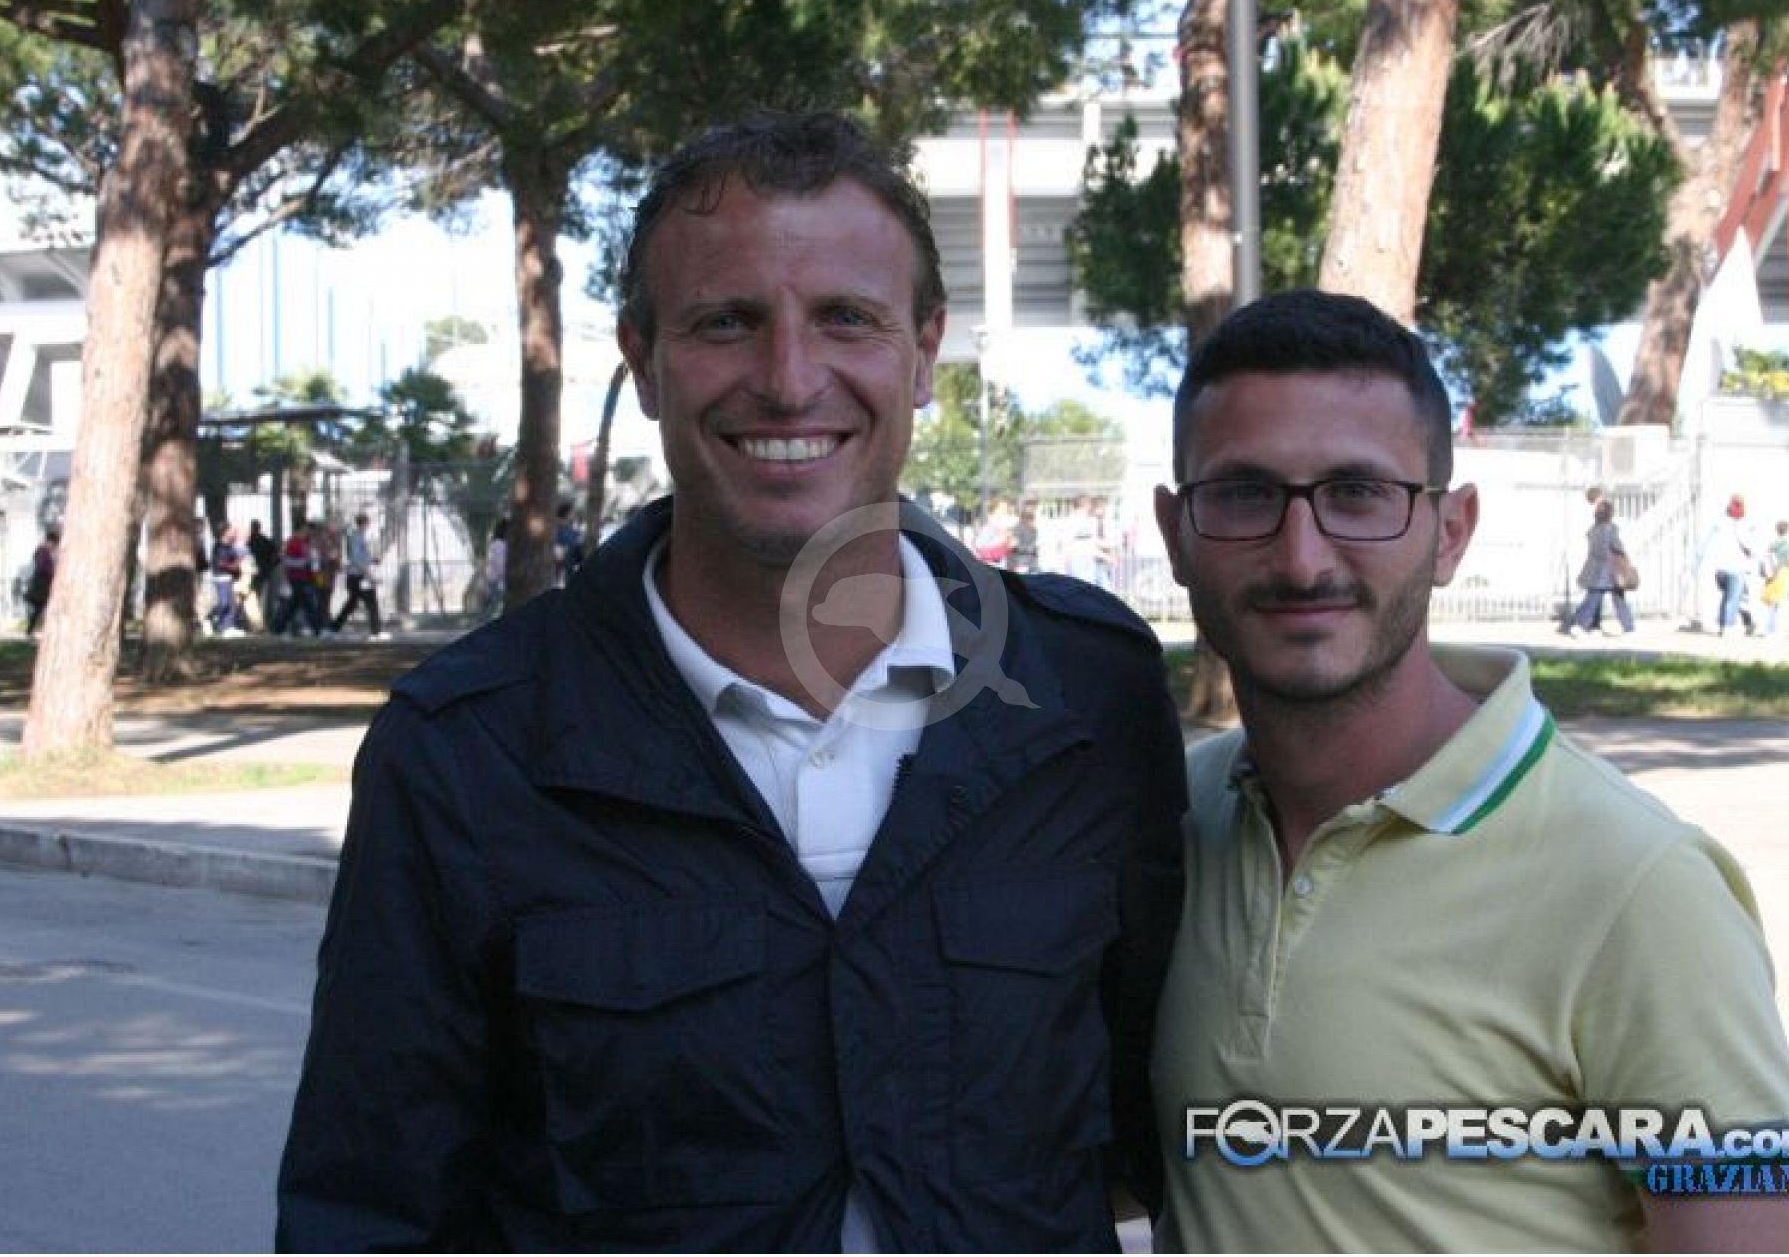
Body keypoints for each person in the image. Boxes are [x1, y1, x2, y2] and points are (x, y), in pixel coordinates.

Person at [277, 111, 1184, 1252]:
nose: (789, 379)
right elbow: (369, 1212)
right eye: (726, 321)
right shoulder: (467, 748)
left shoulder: (1089, 694)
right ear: (644, 362)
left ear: (924, 351)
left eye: (846, 318)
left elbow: (1154, 1127)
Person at [1150, 290, 1789, 1252]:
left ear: (1451, 531)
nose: (1301, 557)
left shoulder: (1641, 885)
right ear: (1176, 533)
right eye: (1245, 495)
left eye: (1358, 494)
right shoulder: (1169, 823)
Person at [1559, 496, 1635, 637]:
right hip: (1611, 571)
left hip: (1595, 570)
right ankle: (1579, 624)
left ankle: (1594, 626)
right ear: (1610, 514)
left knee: (1597, 599)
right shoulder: (1611, 529)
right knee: (1605, 600)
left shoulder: (1593, 530)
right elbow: (1617, 546)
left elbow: (1597, 550)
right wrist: (1625, 559)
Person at [1700, 494, 1759, 636]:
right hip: (1736, 568)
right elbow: (1747, 544)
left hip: (1720, 569)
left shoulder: (1720, 522)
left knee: (1731, 597)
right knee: (1733, 598)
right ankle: (1728, 626)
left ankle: (1740, 624)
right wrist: (1751, 553)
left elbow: (1708, 543)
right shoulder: (1740, 524)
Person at [330, 511, 385, 639]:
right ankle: (376, 631)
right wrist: (368, 574)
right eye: (367, 522)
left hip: (358, 575)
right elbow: (356, 558)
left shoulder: (360, 536)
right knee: (371, 602)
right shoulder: (356, 537)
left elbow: (361, 556)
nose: (369, 525)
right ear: (365, 522)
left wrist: (372, 560)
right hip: (358, 576)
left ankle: (334, 628)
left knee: (352, 603)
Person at [273, 519, 323, 637]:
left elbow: (312, 560)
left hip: (305, 577)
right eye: (307, 529)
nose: (309, 532)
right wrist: (304, 562)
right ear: (301, 529)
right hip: (296, 577)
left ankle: (278, 628)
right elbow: (287, 561)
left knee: (294, 605)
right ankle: (317, 629)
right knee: (308, 603)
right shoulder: (292, 542)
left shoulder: (305, 543)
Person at [1762, 519, 1789, 637]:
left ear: (1777, 530)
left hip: (1776, 573)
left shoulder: (1773, 544)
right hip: (1787, 573)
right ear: (1788, 530)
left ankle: (1770, 630)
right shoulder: (1787, 544)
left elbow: (1767, 557)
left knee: (1774, 603)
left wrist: (1771, 572)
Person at [209, 522, 245, 637]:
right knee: (224, 602)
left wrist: (237, 564)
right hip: (221, 577)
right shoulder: (219, 546)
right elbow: (220, 563)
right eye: (231, 530)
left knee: (231, 603)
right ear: (225, 532)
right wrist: (233, 565)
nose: (233, 533)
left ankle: (228, 627)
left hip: (230, 577)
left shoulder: (230, 546)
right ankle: (212, 618)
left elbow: (235, 559)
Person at [24, 527, 58, 636]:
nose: (54, 547)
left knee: (40, 608)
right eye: (54, 544)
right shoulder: (43, 551)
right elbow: (42, 566)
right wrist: (52, 571)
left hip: (43, 583)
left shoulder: (45, 551)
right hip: (41, 583)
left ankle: (31, 630)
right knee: (40, 607)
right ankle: (30, 630)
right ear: (50, 542)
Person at [246, 519, 278, 630]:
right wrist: (270, 566)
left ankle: (258, 622)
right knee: (256, 598)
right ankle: (258, 622)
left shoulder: (254, 541)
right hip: (257, 573)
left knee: (257, 598)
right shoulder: (259, 541)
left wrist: (270, 566)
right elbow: (276, 556)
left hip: (258, 573)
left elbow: (276, 556)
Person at [482, 516, 508, 617]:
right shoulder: (499, 544)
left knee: (495, 608)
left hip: (497, 581)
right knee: (494, 609)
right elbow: (500, 565)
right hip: (497, 581)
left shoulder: (499, 544)